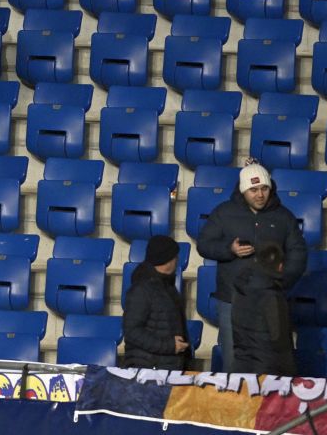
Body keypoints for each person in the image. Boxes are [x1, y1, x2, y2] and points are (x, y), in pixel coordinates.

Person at [197, 160, 308, 370]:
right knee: (235, 360)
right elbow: (204, 244)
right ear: (243, 190)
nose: (260, 194)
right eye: (254, 189)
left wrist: (281, 281)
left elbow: (298, 253)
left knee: (274, 361)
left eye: (264, 188)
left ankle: (270, 403)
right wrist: (229, 250)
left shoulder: (284, 216)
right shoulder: (223, 212)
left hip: (271, 299)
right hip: (232, 299)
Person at [122, 235, 191, 370]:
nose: (177, 260)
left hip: (167, 366)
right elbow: (132, 331)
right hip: (149, 369)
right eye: (175, 256)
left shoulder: (167, 286)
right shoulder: (142, 289)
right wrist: (169, 346)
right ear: (168, 259)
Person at [230, 243, 298, 376]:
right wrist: (291, 375)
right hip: (266, 373)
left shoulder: (239, 289)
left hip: (240, 367)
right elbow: (280, 341)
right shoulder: (272, 296)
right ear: (280, 266)